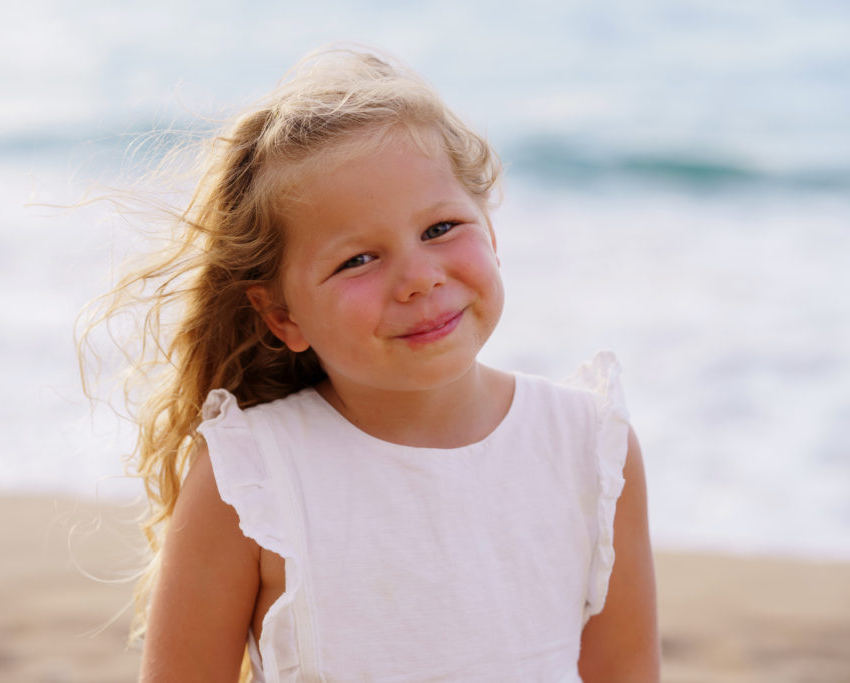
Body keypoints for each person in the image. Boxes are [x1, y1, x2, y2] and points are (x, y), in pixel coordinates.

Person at [85, 47, 659, 682]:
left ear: (490, 231)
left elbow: (626, 672)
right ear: (283, 316)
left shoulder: (590, 446)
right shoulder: (249, 477)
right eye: (358, 260)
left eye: (441, 228)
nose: (418, 278)